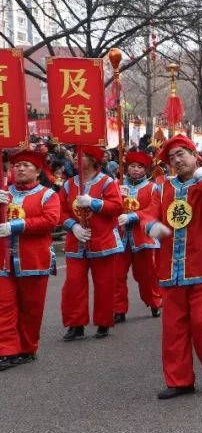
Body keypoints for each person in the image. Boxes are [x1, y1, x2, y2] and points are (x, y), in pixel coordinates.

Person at [142, 135, 202, 399]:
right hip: (172, 270)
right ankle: (179, 380)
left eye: (181, 154)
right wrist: (150, 225)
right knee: (173, 328)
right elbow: (147, 212)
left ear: (195, 155)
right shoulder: (162, 187)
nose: (177, 160)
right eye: (171, 158)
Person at [0, 150, 61, 368]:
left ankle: (27, 348)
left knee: (31, 309)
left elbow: (50, 220)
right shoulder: (3, 193)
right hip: (3, 260)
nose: (21, 169)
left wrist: (14, 226)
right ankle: (7, 351)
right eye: (17, 166)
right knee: (3, 306)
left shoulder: (48, 195)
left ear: (37, 171)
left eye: (26, 165)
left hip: (33, 259)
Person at [59, 145, 123, 341]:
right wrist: (73, 226)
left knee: (104, 284)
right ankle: (75, 323)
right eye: (77, 154)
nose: (77, 158)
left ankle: (103, 322)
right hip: (76, 240)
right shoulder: (69, 184)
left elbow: (117, 206)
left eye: (83, 155)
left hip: (102, 240)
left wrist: (94, 203)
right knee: (73, 284)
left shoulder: (107, 182)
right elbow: (60, 211)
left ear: (94, 160)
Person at [114, 150, 162, 323]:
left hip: (144, 237)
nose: (135, 170)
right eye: (132, 166)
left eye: (140, 167)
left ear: (146, 170)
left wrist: (133, 216)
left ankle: (155, 301)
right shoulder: (116, 185)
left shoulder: (153, 188)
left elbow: (153, 211)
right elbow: (111, 206)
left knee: (147, 275)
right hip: (119, 237)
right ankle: (118, 309)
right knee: (117, 274)